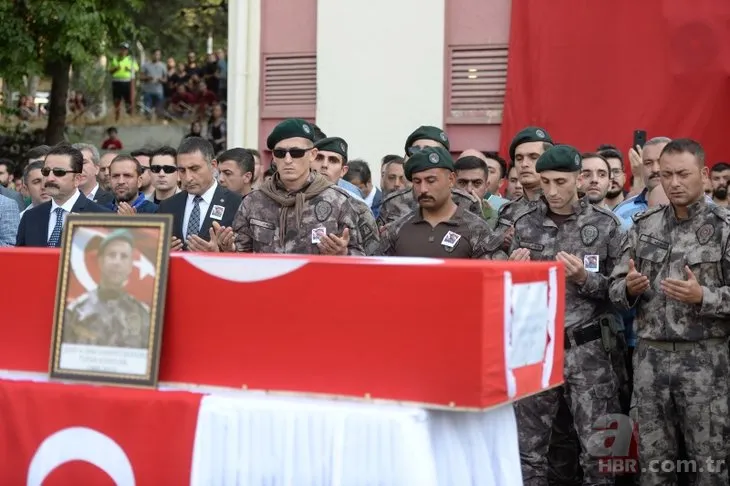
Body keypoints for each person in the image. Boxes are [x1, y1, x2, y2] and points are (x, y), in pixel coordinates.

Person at [609, 139, 730, 486]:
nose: (674, 183)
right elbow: (615, 289)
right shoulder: (644, 226)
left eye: (682, 174)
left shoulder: (724, 228)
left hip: (706, 366)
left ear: (704, 175)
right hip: (650, 365)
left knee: (710, 466)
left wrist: (703, 296)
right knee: (654, 466)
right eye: (666, 175)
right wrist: (628, 288)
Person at [509, 144, 624, 485]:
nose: (552, 191)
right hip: (536, 349)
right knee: (529, 452)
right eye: (545, 182)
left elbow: (620, 293)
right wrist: (512, 273)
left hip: (587, 350)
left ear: (578, 179)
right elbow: (508, 295)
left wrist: (583, 278)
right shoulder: (523, 224)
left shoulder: (606, 225)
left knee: (599, 452)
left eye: (560, 181)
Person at [230, 118, 366, 255]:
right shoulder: (254, 201)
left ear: (312, 155)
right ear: (274, 157)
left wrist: (343, 253)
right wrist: (225, 249)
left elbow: (360, 259)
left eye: (296, 153)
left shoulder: (338, 201)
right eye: (280, 153)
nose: (288, 160)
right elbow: (240, 255)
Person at [379, 147, 505, 259]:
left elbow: (493, 276)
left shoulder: (476, 229)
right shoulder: (397, 230)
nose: (423, 189)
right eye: (417, 181)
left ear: (451, 180)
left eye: (431, 181)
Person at [376, 126, 482, 227]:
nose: (421, 155)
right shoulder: (393, 202)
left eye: (429, 150)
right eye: (415, 150)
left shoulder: (466, 202)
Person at [63, 229, 151, 348]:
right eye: (112, 255)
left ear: (131, 265)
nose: (117, 262)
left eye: (123, 257)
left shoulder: (143, 313)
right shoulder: (76, 311)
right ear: (100, 261)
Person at [16, 144, 110, 248]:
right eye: (46, 171)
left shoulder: (101, 218)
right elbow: (20, 260)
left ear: (77, 179)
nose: (50, 178)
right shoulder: (30, 217)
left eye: (59, 172)